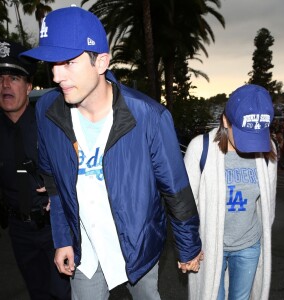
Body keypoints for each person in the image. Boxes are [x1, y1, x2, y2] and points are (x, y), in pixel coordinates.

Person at [20, 6, 202, 300]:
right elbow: (52, 180)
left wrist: (189, 245)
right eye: (52, 63)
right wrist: (63, 239)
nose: (55, 75)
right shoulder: (46, 110)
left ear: (101, 61)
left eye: (67, 62)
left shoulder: (149, 118)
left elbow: (176, 190)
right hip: (86, 248)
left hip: (139, 245)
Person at [184, 84, 277, 300]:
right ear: (225, 121)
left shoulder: (268, 147)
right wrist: (189, 246)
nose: (252, 144)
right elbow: (187, 205)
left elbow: (267, 203)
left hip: (249, 245)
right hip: (210, 246)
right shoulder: (200, 148)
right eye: (245, 133)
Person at [0, 40, 71, 299]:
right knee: (37, 294)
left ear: (29, 87)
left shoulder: (49, 124)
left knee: (62, 294)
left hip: (53, 227)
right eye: (1, 78)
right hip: (18, 231)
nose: (5, 84)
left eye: (15, 78)